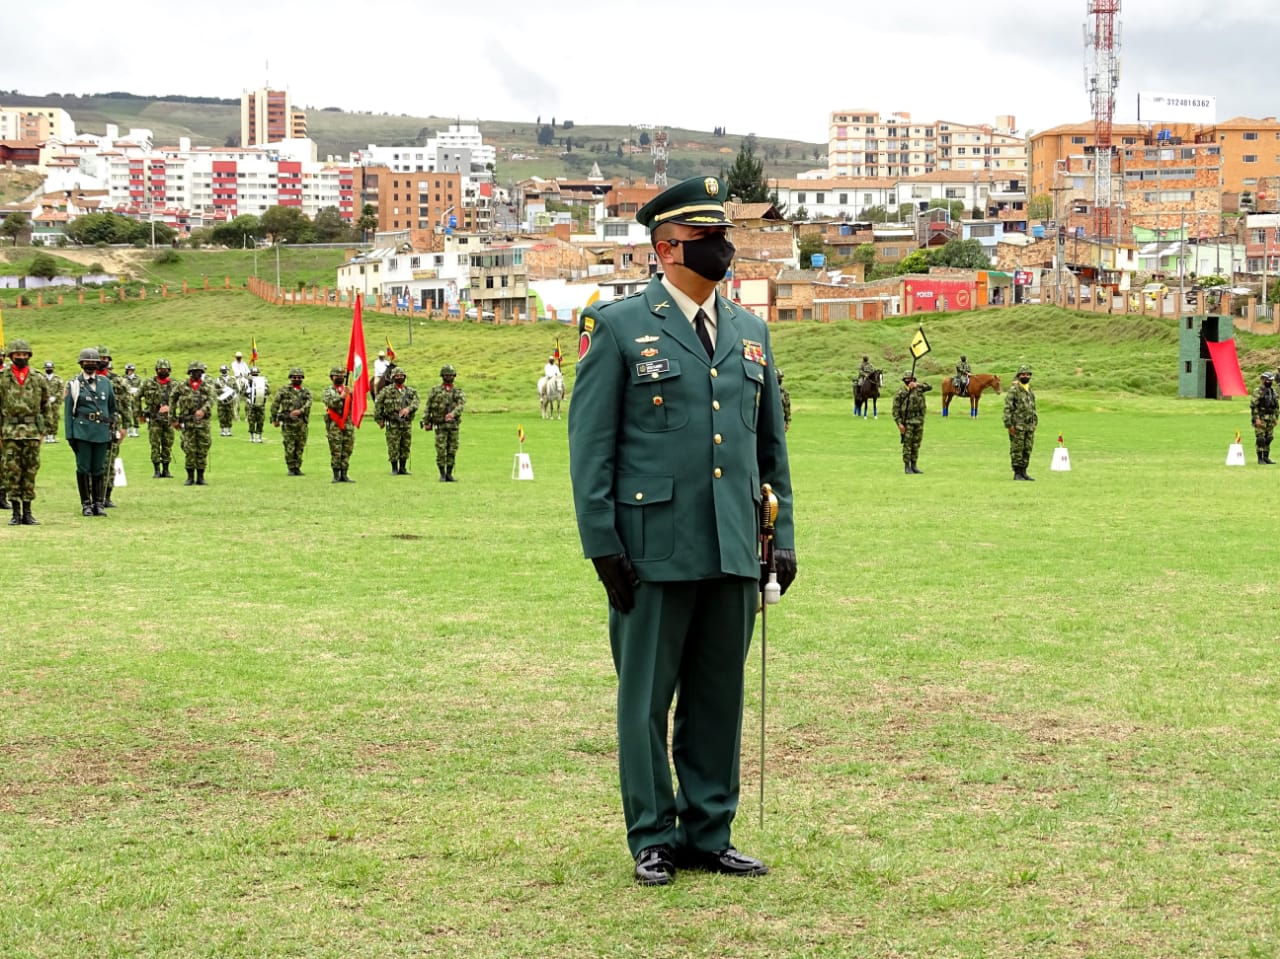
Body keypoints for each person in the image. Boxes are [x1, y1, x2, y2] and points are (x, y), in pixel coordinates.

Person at [566, 175, 796, 887]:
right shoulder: (617, 328)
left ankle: (708, 829)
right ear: (667, 248)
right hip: (651, 548)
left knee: (717, 695)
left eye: (725, 237)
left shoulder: (751, 332)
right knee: (646, 701)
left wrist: (781, 536)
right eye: (707, 240)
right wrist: (602, 543)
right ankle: (654, 835)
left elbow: (769, 446)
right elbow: (591, 448)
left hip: (732, 543)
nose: (724, 249)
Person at [0, 339, 52, 525]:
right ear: (11, 356)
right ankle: (15, 513)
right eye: (17, 355)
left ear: (29, 356)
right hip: (10, 431)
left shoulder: (37, 378)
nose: (21, 357)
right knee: (12, 471)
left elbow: (47, 405)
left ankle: (28, 512)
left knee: (30, 471)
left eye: (24, 354)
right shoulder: (3, 378)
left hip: (32, 431)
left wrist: (46, 430)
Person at [65, 347, 119, 516]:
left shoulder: (106, 383)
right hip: (82, 431)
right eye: (87, 362)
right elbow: (68, 413)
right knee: (83, 468)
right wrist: (69, 435)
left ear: (98, 364)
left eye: (93, 362)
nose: (90, 365)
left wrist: (114, 428)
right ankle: (86, 504)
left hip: (102, 432)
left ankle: (99, 503)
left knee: (99, 468)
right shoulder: (74, 383)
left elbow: (112, 409)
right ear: (81, 364)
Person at [170, 360, 215, 485]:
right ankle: (190, 477)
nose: (197, 374)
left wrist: (203, 410)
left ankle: (201, 477)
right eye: (194, 372)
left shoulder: (207, 386)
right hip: (188, 423)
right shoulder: (181, 386)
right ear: (190, 372)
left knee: (202, 449)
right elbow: (172, 399)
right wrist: (173, 419)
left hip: (203, 424)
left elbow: (212, 399)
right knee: (189, 449)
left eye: (199, 372)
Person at [97, 347, 131, 508]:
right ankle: (92, 496)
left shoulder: (117, 381)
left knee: (109, 461)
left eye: (105, 358)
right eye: (99, 358)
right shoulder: (83, 380)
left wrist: (126, 426)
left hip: (111, 425)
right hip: (90, 427)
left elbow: (125, 404)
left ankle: (107, 495)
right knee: (91, 463)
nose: (103, 361)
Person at [421, 364, 465, 481]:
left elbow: (461, 405)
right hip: (440, 425)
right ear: (442, 376)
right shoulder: (435, 391)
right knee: (441, 450)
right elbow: (428, 407)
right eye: (446, 375)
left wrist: (453, 414)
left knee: (452, 449)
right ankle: (442, 474)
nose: (449, 377)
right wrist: (426, 421)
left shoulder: (457, 391)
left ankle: (449, 474)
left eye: (451, 375)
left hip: (453, 426)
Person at [375, 365, 419, 475]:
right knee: (393, 445)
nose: (399, 377)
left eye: (401, 375)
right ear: (392, 377)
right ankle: (394, 468)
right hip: (392, 423)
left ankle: (403, 468)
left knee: (405, 445)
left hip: (406, 423)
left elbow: (416, 402)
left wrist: (408, 409)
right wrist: (379, 419)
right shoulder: (386, 391)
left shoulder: (410, 391)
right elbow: (378, 404)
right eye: (397, 376)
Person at [138, 358, 177, 478]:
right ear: (156, 370)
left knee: (168, 444)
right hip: (154, 419)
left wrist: (170, 407)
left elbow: (184, 400)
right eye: (160, 369)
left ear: (169, 370)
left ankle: (166, 469)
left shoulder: (175, 384)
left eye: (165, 369)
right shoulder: (148, 383)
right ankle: (156, 470)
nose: (163, 371)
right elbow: (136, 397)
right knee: (155, 444)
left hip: (169, 419)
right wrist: (139, 414)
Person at [271, 367, 312, 475]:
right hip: (288, 423)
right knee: (289, 446)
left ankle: (297, 467)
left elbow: (309, 403)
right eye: (294, 377)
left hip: (301, 423)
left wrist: (300, 411)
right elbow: (275, 404)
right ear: (290, 378)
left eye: (299, 377)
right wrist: (274, 418)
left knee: (300, 446)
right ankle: (290, 468)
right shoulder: (284, 390)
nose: (297, 379)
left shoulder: (306, 392)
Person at [892, 370, 932, 474]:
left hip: (919, 421)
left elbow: (929, 386)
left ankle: (914, 465)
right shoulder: (901, 392)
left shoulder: (918, 388)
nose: (910, 381)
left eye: (912, 379)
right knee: (907, 444)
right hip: (907, 422)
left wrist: (917, 384)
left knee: (916, 444)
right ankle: (907, 466)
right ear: (904, 380)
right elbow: (895, 410)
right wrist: (899, 423)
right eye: (908, 379)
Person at [1003, 364, 1038, 481]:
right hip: (1017, 426)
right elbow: (1008, 408)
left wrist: (1035, 422)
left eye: (1028, 374)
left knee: (1027, 448)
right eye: (1023, 374)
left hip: (1029, 426)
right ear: (1018, 376)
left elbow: (1033, 407)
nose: (1025, 376)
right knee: (1017, 449)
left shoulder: (1030, 389)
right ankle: (1017, 473)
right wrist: (1009, 425)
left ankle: (1024, 472)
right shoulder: (1014, 390)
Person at [322, 366, 356, 483]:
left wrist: (352, 395)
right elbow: (329, 403)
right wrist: (341, 397)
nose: (340, 377)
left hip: (348, 424)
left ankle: (345, 474)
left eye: (342, 376)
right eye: (337, 376)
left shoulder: (348, 390)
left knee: (347, 449)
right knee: (336, 450)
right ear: (332, 377)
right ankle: (336, 475)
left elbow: (356, 405)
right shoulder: (328, 391)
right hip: (334, 425)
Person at [1250, 371, 1278, 465]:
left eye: (1271, 380)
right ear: (1263, 380)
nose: (1269, 382)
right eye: (1268, 380)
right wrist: (1256, 418)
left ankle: (1266, 457)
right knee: (1260, 439)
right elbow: (1254, 406)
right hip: (1261, 418)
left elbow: (1276, 406)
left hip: (1270, 418)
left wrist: (1275, 417)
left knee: (1269, 438)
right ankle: (1260, 458)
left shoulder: (1273, 391)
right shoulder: (1258, 391)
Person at [244, 365, 270, 443]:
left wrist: (263, 393)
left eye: (256, 374)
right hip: (251, 403)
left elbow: (268, 391)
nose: (255, 375)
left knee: (260, 420)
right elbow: (244, 392)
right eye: (253, 373)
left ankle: (259, 436)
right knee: (251, 420)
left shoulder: (263, 381)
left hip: (261, 403)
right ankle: (252, 436)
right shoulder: (247, 381)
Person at [215, 364, 238, 437]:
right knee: (221, 415)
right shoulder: (217, 380)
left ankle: (228, 430)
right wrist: (222, 391)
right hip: (221, 401)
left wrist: (232, 394)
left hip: (230, 401)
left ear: (228, 371)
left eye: (225, 370)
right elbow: (214, 390)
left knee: (229, 415)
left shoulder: (232, 379)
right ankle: (222, 430)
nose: (224, 372)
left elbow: (236, 389)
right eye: (223, 371)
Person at [42, 360, 61, 444]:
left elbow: (61, 389)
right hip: (45, 402)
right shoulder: (42, 378)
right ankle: (46, 435)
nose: (48, 369)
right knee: (45, 418)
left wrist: (55, 397)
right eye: (47, 368)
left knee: (55, 418)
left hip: (55, 402)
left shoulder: (58, 379)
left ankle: (52, 435)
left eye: (50, 368)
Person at [122, 363, 142, 437]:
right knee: (128, 414)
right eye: (129, 370)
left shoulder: (138, 378)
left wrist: (136, 390)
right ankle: (129, 430)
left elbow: (141, 387)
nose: (130, 371)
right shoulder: (123, 378)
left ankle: (135, 430)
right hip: (126, 398)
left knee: (136, 413)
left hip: (135, 398)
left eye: (131, 370)